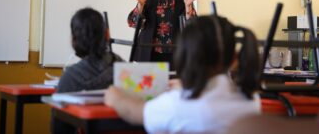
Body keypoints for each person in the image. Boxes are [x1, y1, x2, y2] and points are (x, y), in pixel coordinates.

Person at [105, 15, 262, 134]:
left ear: (183, 55)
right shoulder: (251, 99)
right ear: (234, 59)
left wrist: (116, 96)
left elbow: (133, 111)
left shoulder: (177, 104)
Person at [51, 7, 123, 134]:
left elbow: (59, 129)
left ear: (74, 40)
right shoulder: (126, 72)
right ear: (107, 34)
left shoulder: (70, 78)